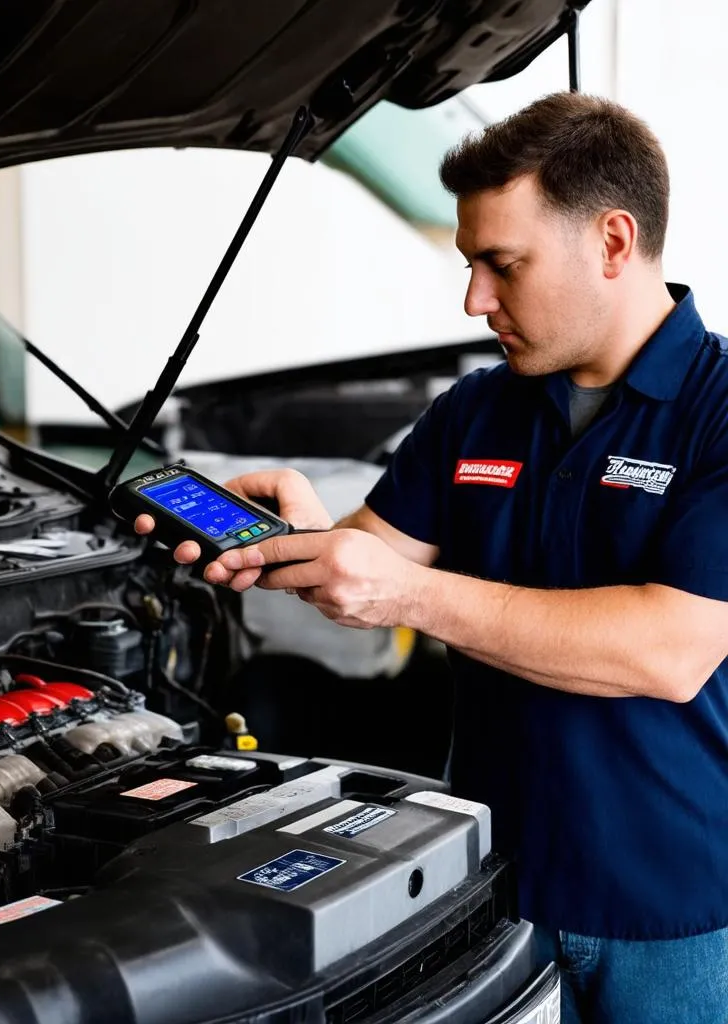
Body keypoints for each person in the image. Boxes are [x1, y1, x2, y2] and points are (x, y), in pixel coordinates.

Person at [135, 92, 728, 1024]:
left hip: (672, 916)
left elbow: (668, 649)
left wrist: (407, 591)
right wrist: (299, 539)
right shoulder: (477, 410)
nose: (474, 299)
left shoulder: (720, 412)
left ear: (613, 243)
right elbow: (364, 570)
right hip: (485, 885)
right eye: (469, 265)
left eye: (503, 265)